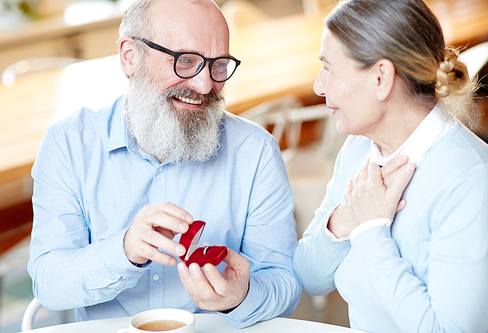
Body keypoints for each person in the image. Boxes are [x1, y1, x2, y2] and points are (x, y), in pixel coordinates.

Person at [28, 0, 301, 328]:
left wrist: (241, 297)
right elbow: (49, 285)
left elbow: (284, 282)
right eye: (185, 61)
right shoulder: (69, 144)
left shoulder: (255, 152)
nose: (204, 86)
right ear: (130, 56)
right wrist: (124, 250)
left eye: (218, 65)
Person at [293, 0, 488, 332]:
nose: (318, 86)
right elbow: (309, 276)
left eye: (329, 68)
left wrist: (371, 231)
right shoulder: (358, 148)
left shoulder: (471, 182)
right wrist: (347, 217)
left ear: (381, 77)